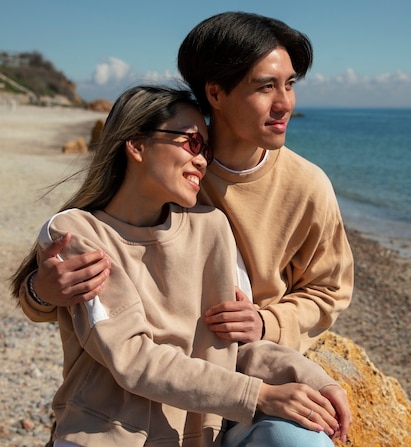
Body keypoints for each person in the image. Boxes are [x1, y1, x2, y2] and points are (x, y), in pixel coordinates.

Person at [11, 85, 350, 446]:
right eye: (191, 143)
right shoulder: (76, 232)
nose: (202, 160)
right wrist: (259, 396)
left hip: (197, 437)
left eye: (206, 149)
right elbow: (133, 359)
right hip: (106, 435)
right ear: (137, 144)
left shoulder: (211, 229)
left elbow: (227, 349)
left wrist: (316, 380)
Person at [17, 11, 353, 354]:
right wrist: (42, 291)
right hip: (155, 364)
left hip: (254, 359)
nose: (285, 104)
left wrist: (267, 322)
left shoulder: (308, 186)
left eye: (290, 84)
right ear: (216, 94)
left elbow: (330, 290)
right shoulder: (168, 171)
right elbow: (47, 290)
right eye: (266, 86)